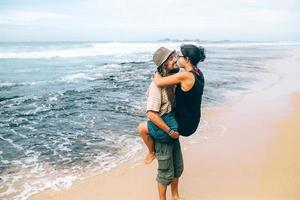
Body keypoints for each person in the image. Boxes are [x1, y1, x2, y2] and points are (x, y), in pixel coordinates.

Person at [137, 47, 184, 200]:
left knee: (177, 167)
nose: (175, 59)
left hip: (172, 127)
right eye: (171, 58)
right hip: (164, 130)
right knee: (165, 172)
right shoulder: (156, 87)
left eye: (174, 56)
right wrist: (169, 131)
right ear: (163, 64)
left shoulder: (170, 80)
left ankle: (175, 196)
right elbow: (151, 114)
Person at [154, 44, 205, 137]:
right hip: (193, 121)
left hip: (183, 125)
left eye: (179, 56)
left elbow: (158, 82)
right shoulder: (198, 72)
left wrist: (159, 68)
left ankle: (151, 151)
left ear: (187, 59)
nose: (177, 59)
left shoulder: (186, 76)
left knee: (143, 128)